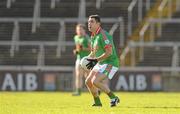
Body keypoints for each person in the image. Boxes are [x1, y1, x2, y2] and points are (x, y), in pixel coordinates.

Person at [85, 15, 120, 107]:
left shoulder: (104, 35)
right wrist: (86, 59)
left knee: (95, 81)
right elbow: (93, 52)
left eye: (92, 22)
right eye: (88, 22)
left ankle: (114, 97)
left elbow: (109, 52)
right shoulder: (93, 36)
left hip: (110, 63)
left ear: (98, 24)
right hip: (100, 63)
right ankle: (97, 102)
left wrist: (95, 60)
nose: (89, 24)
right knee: (88, 81)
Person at [72, 24, 90, 96]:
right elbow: (77, 48)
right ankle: (78, 91)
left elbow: (92, 49)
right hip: (79, 59)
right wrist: (76, 51)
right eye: (78, 30)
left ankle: (96, 90)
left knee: (88, 76)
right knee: (78, 75)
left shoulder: (87, 38)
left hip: (87, 59)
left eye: (80, 29)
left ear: (84, 30)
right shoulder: (76, 37)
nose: (79, 31)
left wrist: (83, 49)